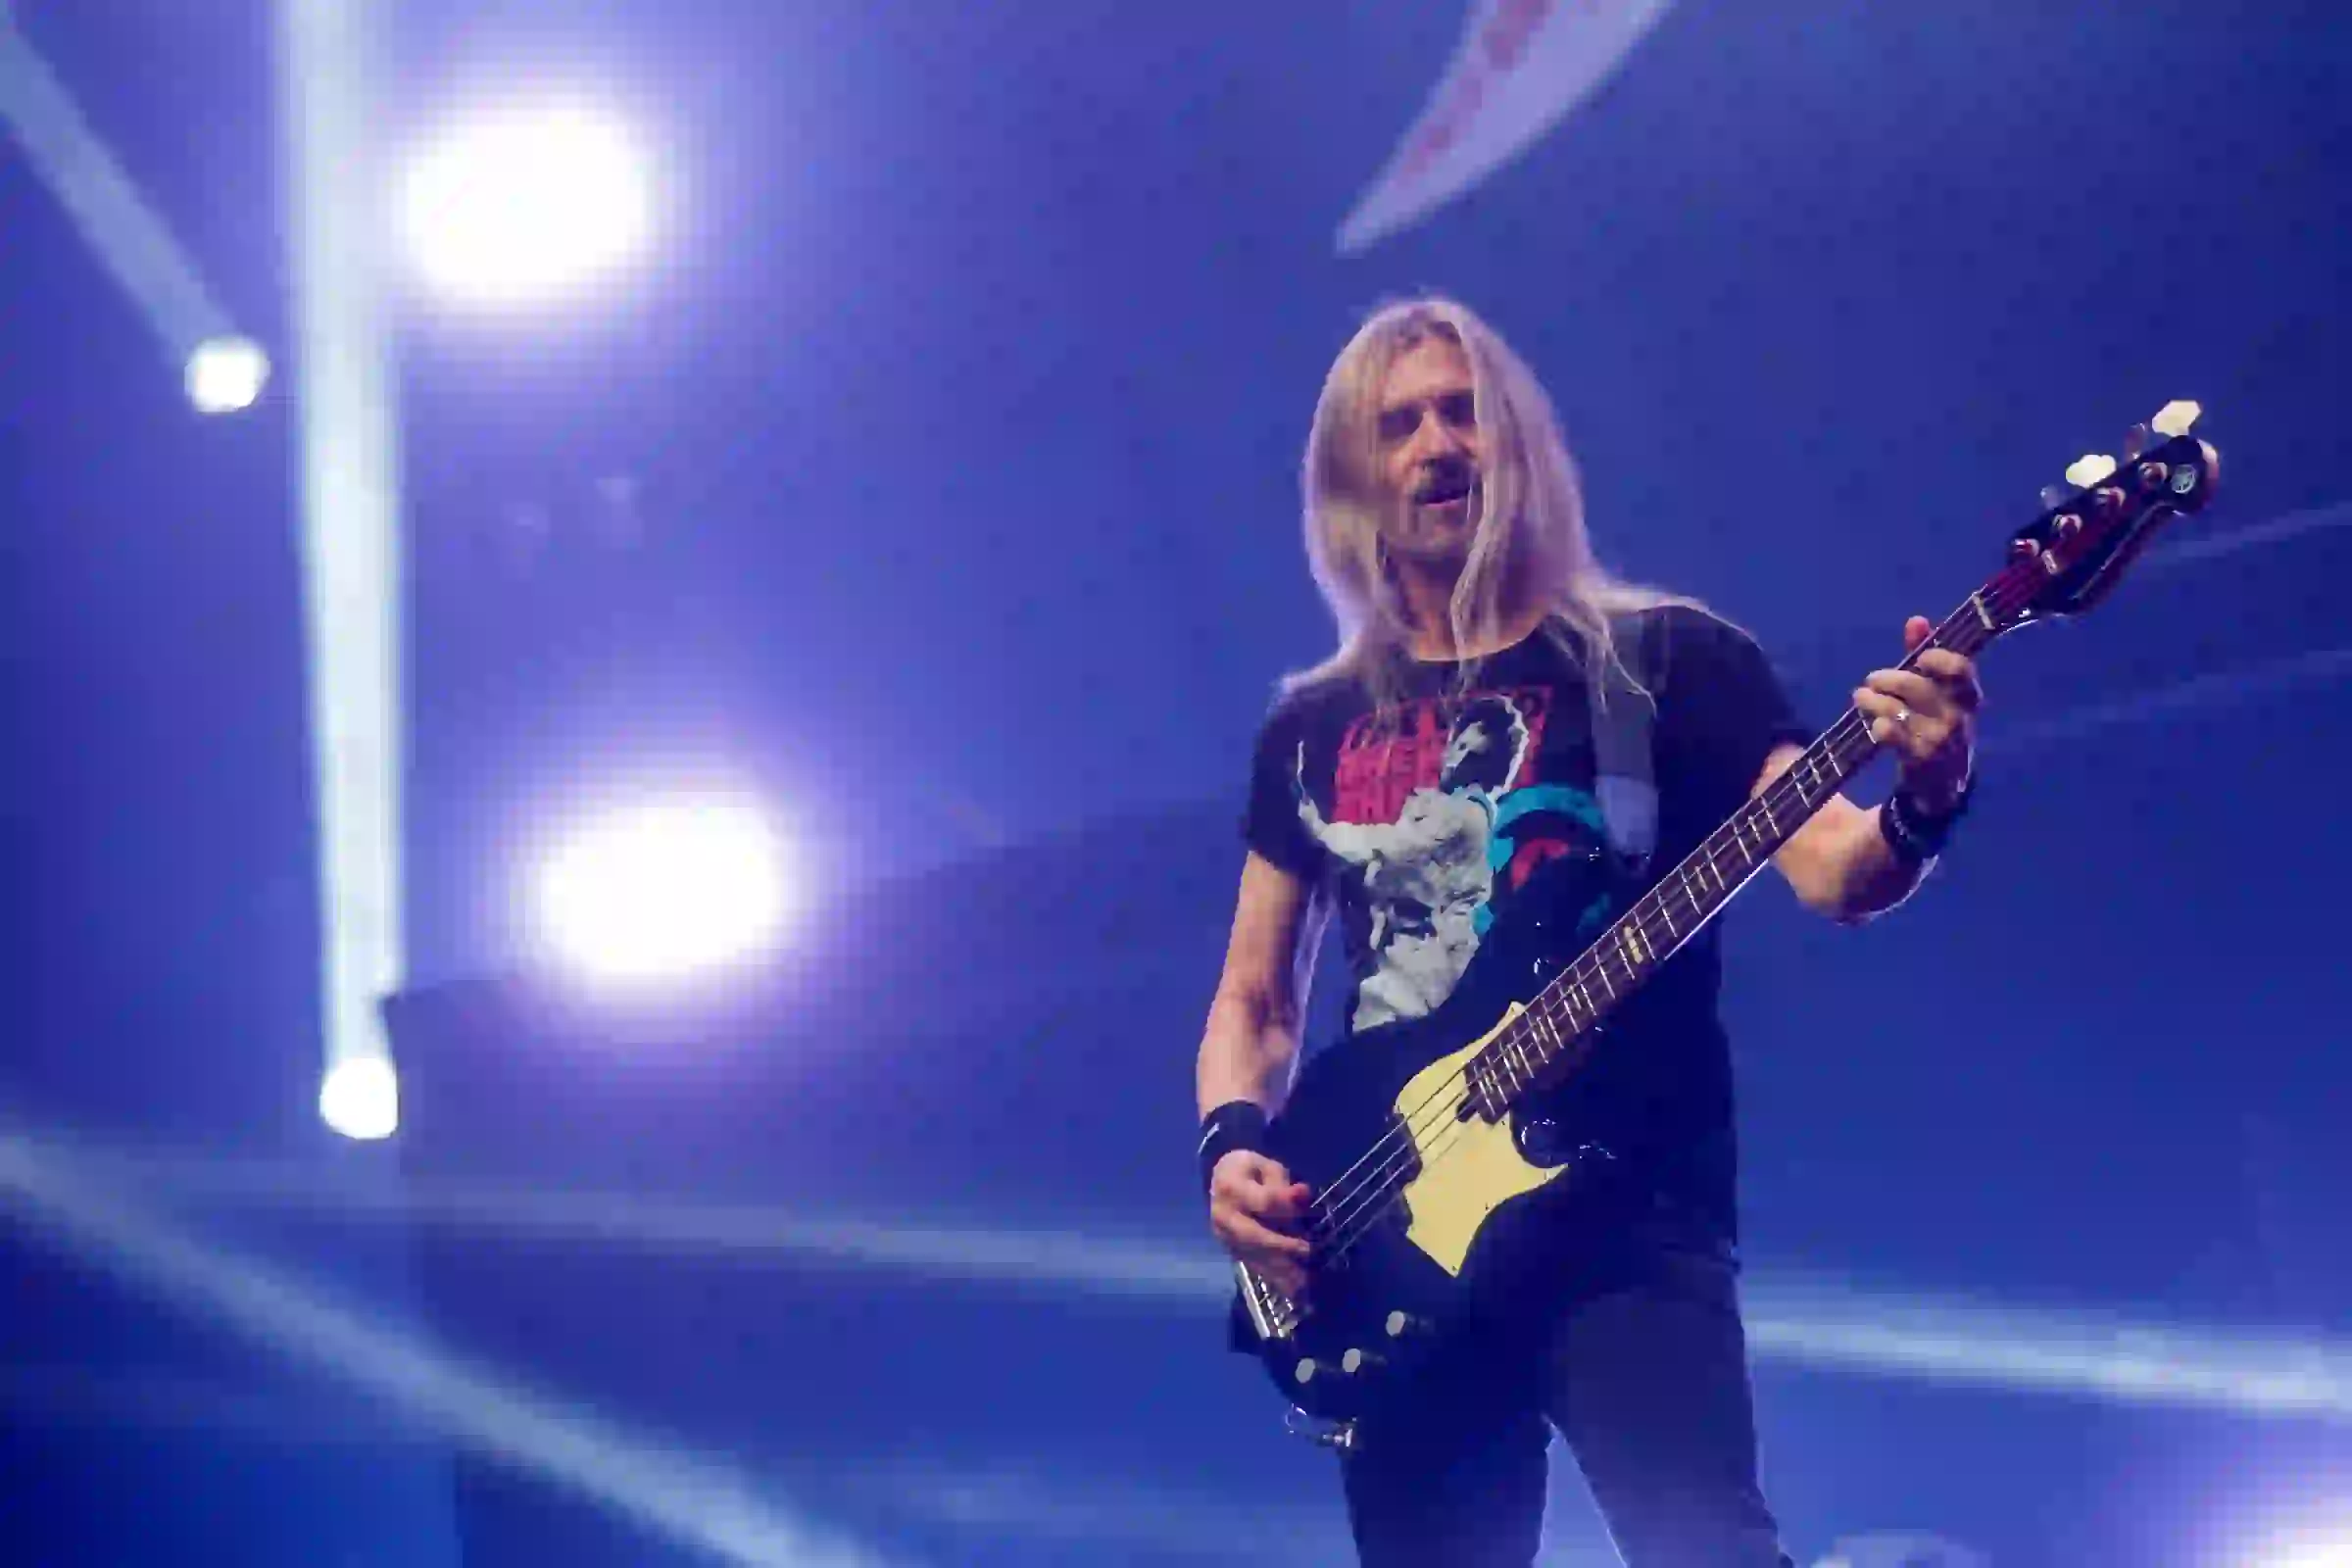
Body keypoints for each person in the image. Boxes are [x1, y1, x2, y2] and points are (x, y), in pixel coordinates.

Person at [1192, 296, 1983, 1567]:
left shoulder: (1669, 661)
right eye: (1399, 425)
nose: (1438, 445)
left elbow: (1837, 868)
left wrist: (1928, 795)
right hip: (1387, 1233)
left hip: (1625, 1212)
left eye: (1463, 412)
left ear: (1518, 444)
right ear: (1352, 476)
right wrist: (1232, 1147)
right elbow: (1256, 1000)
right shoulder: (1310, 730)